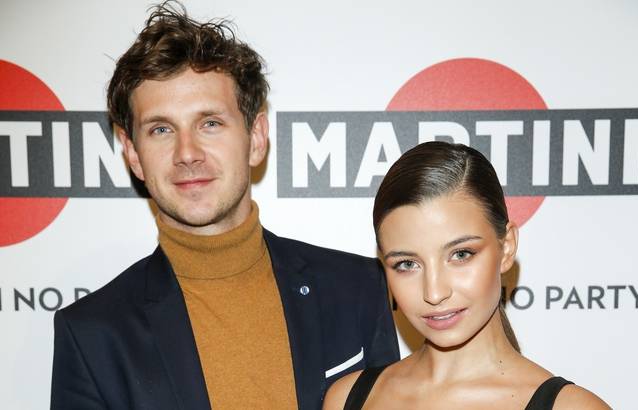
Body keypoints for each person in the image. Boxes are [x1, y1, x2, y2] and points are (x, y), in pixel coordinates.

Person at [49, 3, 399, 409]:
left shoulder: (357, 288)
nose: (187, 153)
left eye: (210, 123)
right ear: (132, 153)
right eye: (161, 129)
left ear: (256, 138)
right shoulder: (92, 334)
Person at [323, 141, 610, 409]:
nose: (434, 293)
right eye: (407, 264)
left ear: (507, 247)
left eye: (461, 254)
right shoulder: (346, 399)